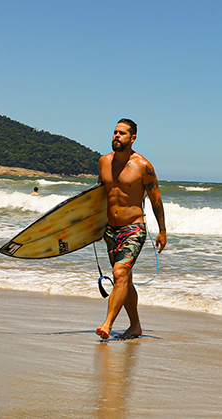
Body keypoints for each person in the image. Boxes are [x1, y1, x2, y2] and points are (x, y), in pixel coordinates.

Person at [96, 118, 166, 339]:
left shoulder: (143, 166)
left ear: (133, 138)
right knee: (124, 280)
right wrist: (93, 227)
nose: (117, 136)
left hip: (133, 229)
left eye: (122, 133)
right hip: (110, 230)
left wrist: (162, 230)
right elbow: (98, 197)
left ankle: (107, 324)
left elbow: (156, 200)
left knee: (120, 273)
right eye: (115, 132)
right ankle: (135, 326)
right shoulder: (103, 162)